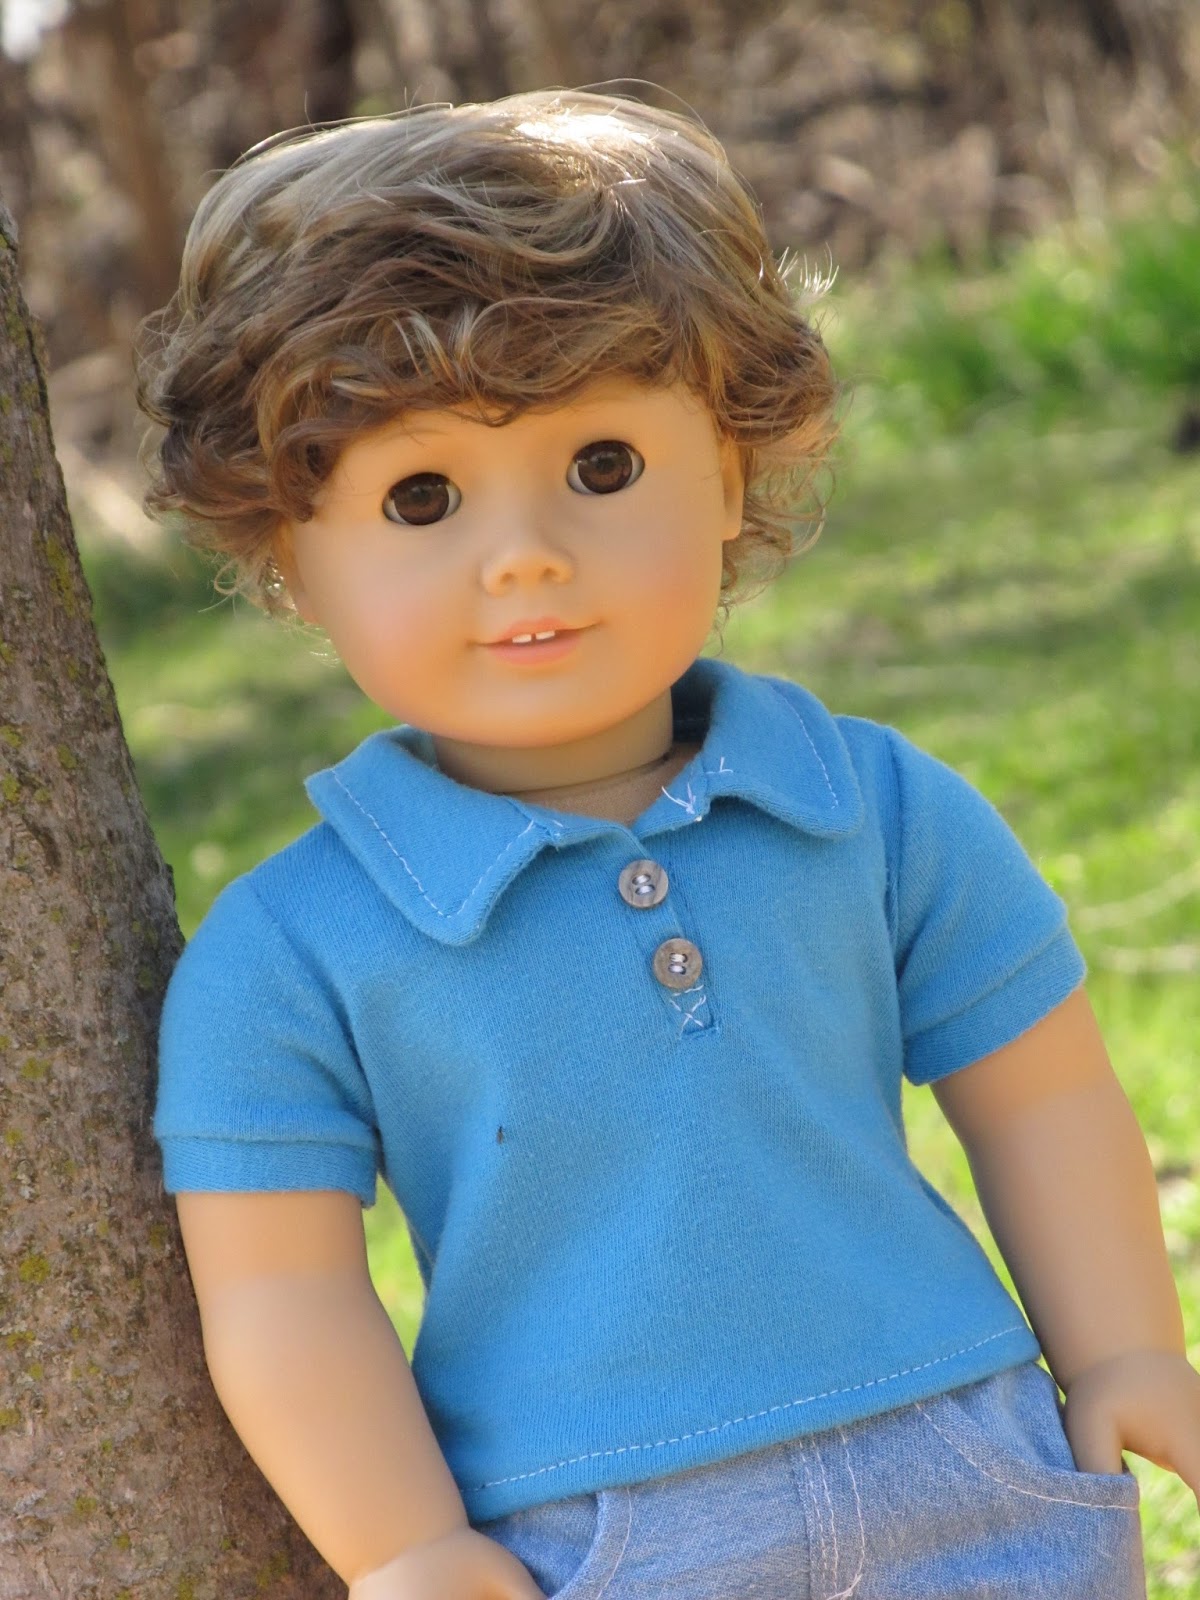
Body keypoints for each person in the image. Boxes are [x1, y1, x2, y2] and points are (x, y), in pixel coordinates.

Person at [136, 89, 1199, 1599]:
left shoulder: (873, 808)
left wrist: (1126, 1347)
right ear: (290, 557)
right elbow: (282, 1290)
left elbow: (1040, 1092)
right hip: (598, 1536)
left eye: (603, 467)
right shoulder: (293, 952)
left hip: (974, 1462)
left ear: (734, 472)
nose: (525, 556)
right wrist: (406, 1547)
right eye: (421, 497)